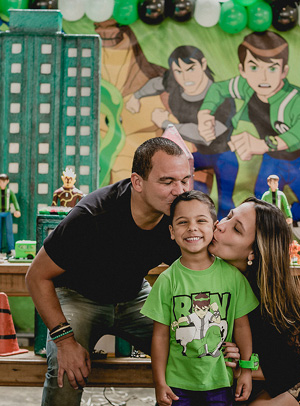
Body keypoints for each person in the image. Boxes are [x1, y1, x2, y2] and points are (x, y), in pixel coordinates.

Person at [26, 138, 191, 405]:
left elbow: (203, 268)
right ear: (137, 182)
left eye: (185, 180)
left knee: (192, 350)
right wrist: (65, 342)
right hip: (78, 296)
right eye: (167, 181)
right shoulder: (91, 216)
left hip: (134, 295)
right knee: (66, 371)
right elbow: (35, 276)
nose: (180, 191)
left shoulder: (180, 214)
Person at [198, 32, 300, 230]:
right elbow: (218, 89)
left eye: (272, 68)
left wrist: (264, 144)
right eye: (254, 67)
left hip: (296, 163)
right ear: (243, 70)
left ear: (284, 71)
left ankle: (288, 220)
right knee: (260, 211)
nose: (263, 77)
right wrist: (205, 113)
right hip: (270, 162)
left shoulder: (296, 98)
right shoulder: (247, 86)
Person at [142, 191, 257, 405]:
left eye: (201, 221)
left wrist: (246, 370)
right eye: (182, 222)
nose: (192, 228)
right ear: (172, 231)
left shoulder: (233, 277)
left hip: (220, 381)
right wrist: (159, 382)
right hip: (177, 384)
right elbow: (160, 337)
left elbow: (242, 327)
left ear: (214, 227)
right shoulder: (167, 280)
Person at [212, 198, 300, 406]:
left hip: (276, 390)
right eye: (228, 216)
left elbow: (298, 371)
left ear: (253, 251)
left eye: (237, 229)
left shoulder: (271, 300)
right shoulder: (199, 272)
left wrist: (242, 365)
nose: (221, 225)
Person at [129, 45, 238, 219]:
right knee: (185, 197)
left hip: (223, 155)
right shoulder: (174, 84)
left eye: (191, 69)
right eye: (178, 71)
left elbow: (205, 135)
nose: (185, 77)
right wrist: (137, 96)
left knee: (225, 203)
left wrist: (166, 123)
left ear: (203, 64)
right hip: (198, 156)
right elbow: (156, 84)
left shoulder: (221, 98)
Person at [0, 173, 18, 259]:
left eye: (4, 181)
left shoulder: (9, 192)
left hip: (7, 212)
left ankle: (11, 249)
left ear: (7, 181)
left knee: (9, 231)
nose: (2, 183)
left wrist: (17, 209)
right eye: (0, 181)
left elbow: (15, 201)